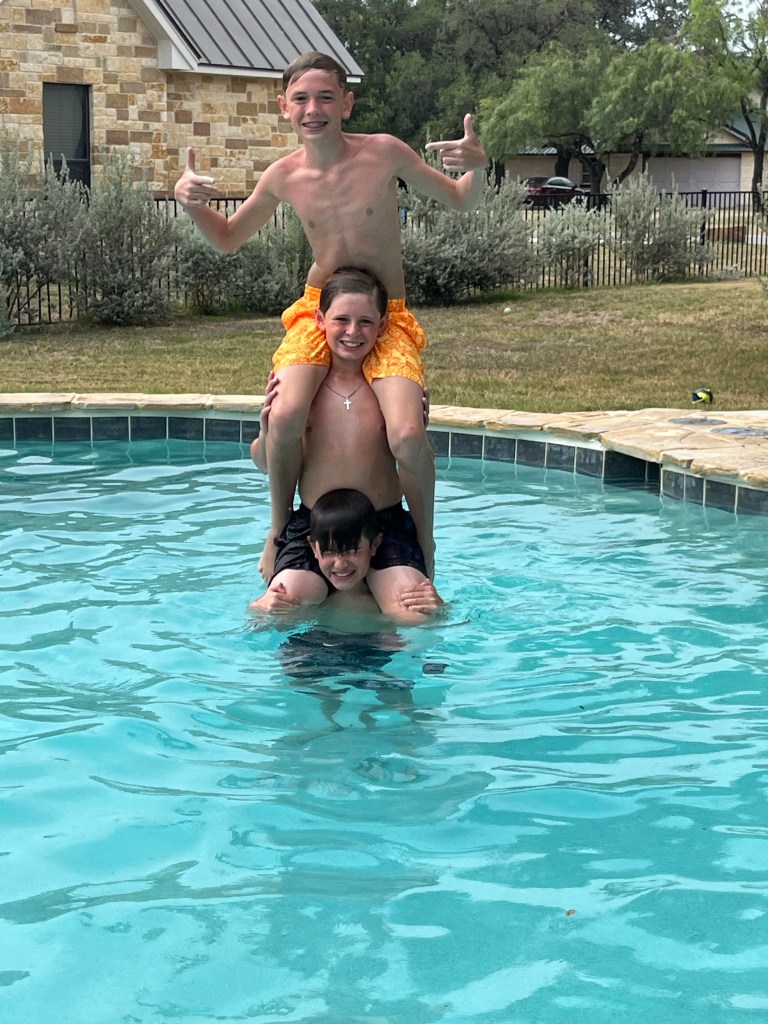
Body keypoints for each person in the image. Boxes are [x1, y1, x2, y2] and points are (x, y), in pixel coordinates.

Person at [174, 50, 487, 581]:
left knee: (407, 436)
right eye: (300, 99)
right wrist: (191, 203)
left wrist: (477, 165)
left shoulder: (384, 152)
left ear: (346, 103)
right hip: (318, 311)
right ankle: (279, 530)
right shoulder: (284, 175)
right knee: (284, 417)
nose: (313, 109)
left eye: (325, 97)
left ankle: (424, 540)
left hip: (385, 316)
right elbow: (227, 238)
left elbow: (460, 200)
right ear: (284, 106)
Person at [248, 268, 444, 625]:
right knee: (275, 613)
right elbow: (265, 464)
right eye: (342, 320)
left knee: (418, 615)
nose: (353, 332)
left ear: (382, 326)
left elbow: (418, 460)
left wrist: (425, 542)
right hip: (315, 528)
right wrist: (269, 431)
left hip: (382, 523)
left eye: (365, 322)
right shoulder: (303, 391)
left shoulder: (392, 393)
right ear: (320, 320)